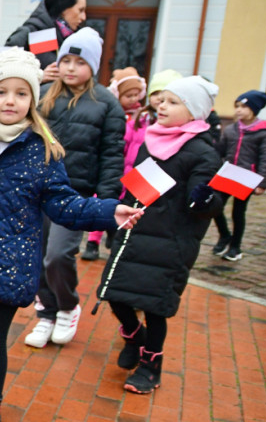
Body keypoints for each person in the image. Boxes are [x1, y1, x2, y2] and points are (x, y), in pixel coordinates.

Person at [0, 47, 141, 422]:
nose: (11, 101)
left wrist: (109, 212)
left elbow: (64, 203)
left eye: (21, 93)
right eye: (2, 92)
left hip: (12, 262)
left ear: (33, 100)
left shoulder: (42, 150)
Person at [96, 76, 224, 393]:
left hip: (171, 243)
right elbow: (138, 187)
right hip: (135, 233)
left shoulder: (202, 152)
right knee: (115, 296)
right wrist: (120, 214)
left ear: (194, 112)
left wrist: (205, 200)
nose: (162, 106)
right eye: (161, 100)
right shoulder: (152, 140)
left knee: (154, 307)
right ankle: (133, 338)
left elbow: (207, 202)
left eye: (172, 102)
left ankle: (151, 366)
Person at [25, 27, 125, 348]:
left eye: (79, 62)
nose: (70, 68)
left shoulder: (107, 104)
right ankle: (46, 312)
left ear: (93, 67)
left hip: (75, 194)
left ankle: (67, 306)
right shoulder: (43, 94)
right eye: (65, 60)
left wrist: (107, 207)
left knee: (57, 255)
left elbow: (112, 156)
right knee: (35, 254)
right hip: (37, 190)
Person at [82, 67, 153, 261]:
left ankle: (115, 237)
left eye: (135, 95)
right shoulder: (114, 115)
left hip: (132, 171)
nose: (132, 99)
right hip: (114, 169)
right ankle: (92, 242)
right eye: (127, 95)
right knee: (102, 203)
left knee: (123, 206)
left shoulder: (142, 117)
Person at [211, 90, 266, 261]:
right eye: (237, 106)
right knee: (215, 206)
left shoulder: (264, 133)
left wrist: (262, 182)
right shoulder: (231, 130)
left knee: (238, 213)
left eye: (244, 106)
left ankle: (235, 247)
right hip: (228, 175)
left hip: (246, 178)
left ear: (254, 109)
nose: (238, 110)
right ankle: (224, 235)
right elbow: (220, 151)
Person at [5, 0, 87, 83]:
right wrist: (37, 77)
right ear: (64, 9)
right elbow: (2, 71)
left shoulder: (75, 38)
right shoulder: (32, 32)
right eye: (80, 10)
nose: (83, 17)